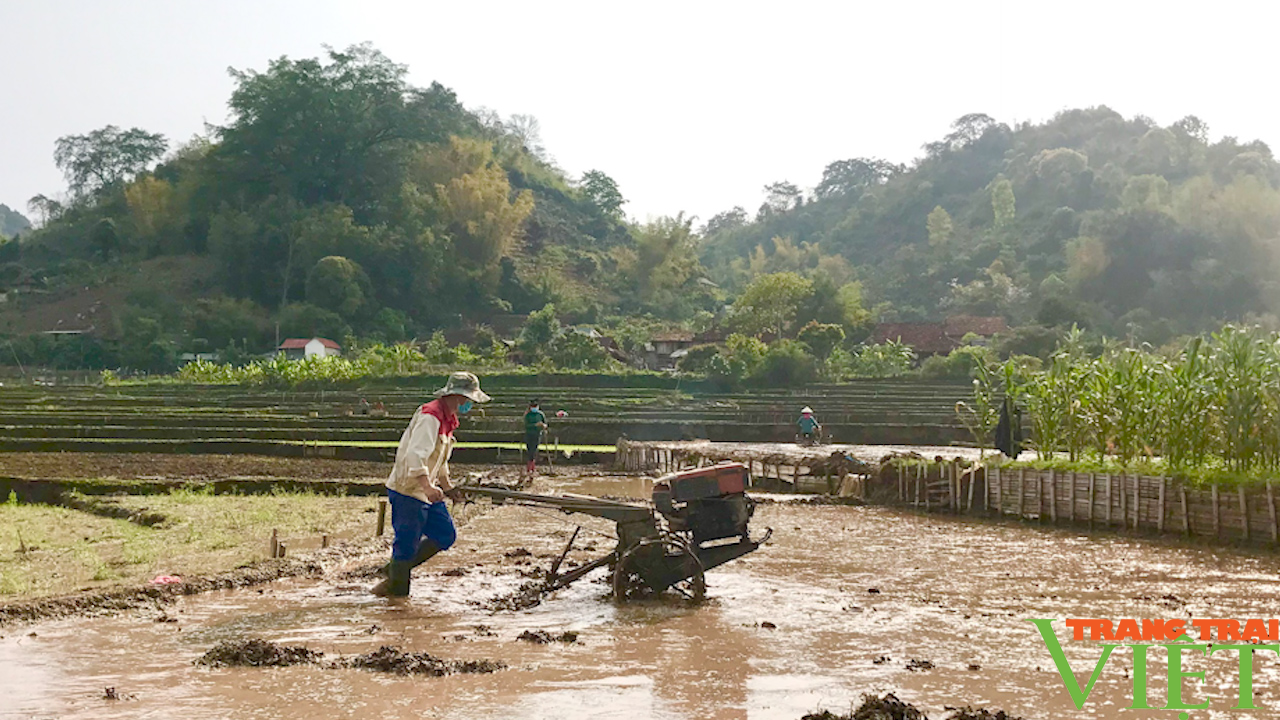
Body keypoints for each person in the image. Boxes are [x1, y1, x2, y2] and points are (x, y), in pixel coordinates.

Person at [371, 371, 490, 597]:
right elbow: (415, 456)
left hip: (427, 491)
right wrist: (427, 486)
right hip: (409, 490)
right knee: (406, 546)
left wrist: (448, 487)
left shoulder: (448, 420)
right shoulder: (431, 416)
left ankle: (395, 571)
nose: (469, 404)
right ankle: (397, 601)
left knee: (445, 534)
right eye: (467, 399)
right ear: (456, 395)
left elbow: (440, 460)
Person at [524, 399, 548, 475]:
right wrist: (535, 425)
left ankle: (531, 468)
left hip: (537, 434)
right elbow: (526, 425)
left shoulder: (540, 414)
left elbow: (545, 423)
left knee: (534, 450)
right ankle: (529, 467)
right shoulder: (528, 415)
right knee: (529, 450)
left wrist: (543, 426)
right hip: (529, 434)